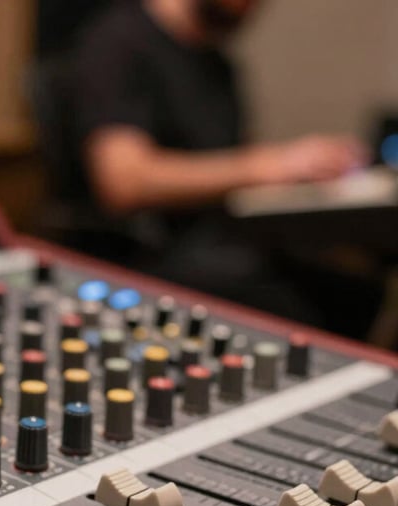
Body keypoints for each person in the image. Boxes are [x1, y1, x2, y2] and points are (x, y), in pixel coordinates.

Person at [63, 0, 381, 336]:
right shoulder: (118, 43)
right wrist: (264, 165)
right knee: (298, 310)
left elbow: (237, 168)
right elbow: (123, 181)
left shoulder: (216, 62)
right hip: (147, 253)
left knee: (356, 292)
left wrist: (303, 173)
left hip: (222, 242)